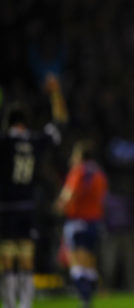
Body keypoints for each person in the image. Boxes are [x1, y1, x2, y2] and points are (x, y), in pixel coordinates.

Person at [0, 74, 67, 308]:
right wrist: (56, 93)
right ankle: (25, 305)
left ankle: (9, 305)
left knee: (7, 260)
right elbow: (59, 124)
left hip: (6, 207)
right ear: (25, 122)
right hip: (28, 206)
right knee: (27, 259)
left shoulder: (5, 141)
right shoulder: (33, 141)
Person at [54, 139, 108, 308]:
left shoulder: (78, 171)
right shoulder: (99, 174)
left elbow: (68, 194)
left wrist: (58, 206)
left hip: (77, 222)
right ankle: (89, 298)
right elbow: (103, 197)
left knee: (76, 264)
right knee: (90, 265)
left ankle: (85, 300)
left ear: (79, 155)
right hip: (95, 222)